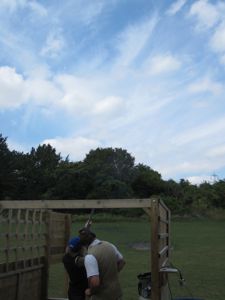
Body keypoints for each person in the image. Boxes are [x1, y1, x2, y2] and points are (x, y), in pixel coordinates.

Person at [79, 228, 125, 300]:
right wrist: (112, 273)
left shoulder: (90, 257)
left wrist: (90, 291)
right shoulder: (109, 245)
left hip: (102, 296)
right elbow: (122, 262)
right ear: (94, 237)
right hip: (116, 293)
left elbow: (95, 283)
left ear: (84, 245)